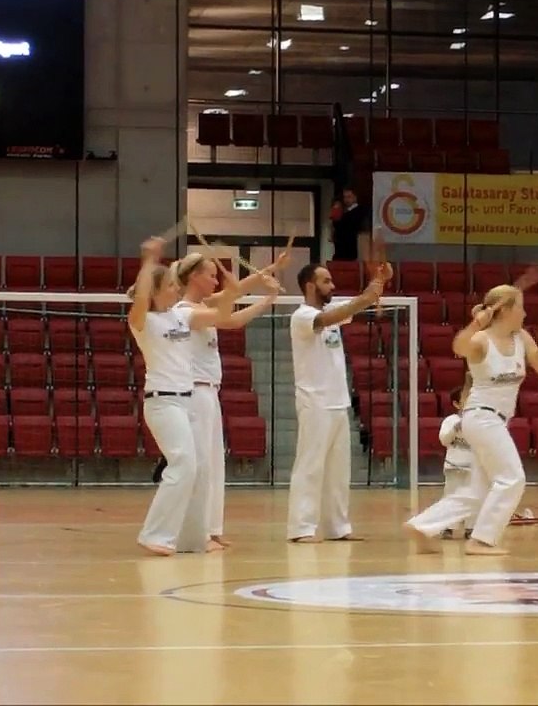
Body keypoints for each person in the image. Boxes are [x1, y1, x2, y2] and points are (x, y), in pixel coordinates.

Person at [404, 284, 538, 555]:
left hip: (495, 421)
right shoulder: (482, 340)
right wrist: (477, 322)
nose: (525, 311)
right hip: (481, 416)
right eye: (520, 305)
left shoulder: (522, 338)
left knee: (477, 490)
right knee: (512, 478)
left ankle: (423, 525)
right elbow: (459, 346)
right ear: (506, 310)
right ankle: (482, 540)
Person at [129, 237, 241, 556]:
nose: (176, 290)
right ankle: (155, 534)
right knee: (184, 463)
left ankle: (190, 538)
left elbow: (222, 317)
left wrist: (231, 290)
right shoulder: (143, 321)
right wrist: (150, 261)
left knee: (197, 469)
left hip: (188, 399)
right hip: (163, 402)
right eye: (169, 286)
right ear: (156, 290)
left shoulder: (181, 316)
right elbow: (140, 299)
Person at [171, 251, 285, 548]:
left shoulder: (200, 305)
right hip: (194, 392)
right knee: (201, 464)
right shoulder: (184, 311)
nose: (215, 280)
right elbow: (229, 314)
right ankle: (197, 531)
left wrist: (269, 278)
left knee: (213, 464)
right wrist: (237, 292)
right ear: (194, 277)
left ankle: (211, 528)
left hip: (210, 392)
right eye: (210, 275)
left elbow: (235, 301)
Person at [286, 260, 391, 543]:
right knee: (310, 466)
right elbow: (337, 315)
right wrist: (368, 297)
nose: (332, 286)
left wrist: (378, 284)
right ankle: (301, 528)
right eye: (326, 281)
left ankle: (338, 527)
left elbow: (353, 306)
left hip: (337, 402)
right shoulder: (302, 316)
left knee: (338, 471)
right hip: (314, 402)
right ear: (310, 285)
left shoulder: (329, 311)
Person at [437, 387, 478, 540]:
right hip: (454, 466)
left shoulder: (479, 421)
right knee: (451, 496)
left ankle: (471, 528)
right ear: (456, 403)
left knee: (473, 497)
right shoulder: (450, 420)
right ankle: (448, 527)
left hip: (473, 468)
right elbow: (444, 440)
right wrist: (455, 429)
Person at [331, 188, 366, 261]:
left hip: (351, 247)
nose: (346, 199)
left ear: (355, 197)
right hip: (340, 248)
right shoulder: (343, 211)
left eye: (349, 197)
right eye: (345, 197)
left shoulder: (360, 211)